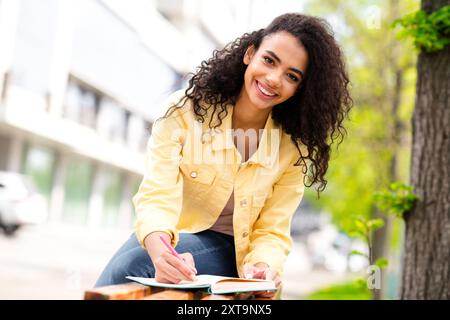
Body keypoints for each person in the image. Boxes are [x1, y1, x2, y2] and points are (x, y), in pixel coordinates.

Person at [95, 12, 352, 299]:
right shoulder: (184, 110)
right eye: (269, 60)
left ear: (299, 88)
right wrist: (161, 248)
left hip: (237, 254)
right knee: (130, 264)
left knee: (133, 264)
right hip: (175, 235)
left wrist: (265, 269)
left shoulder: (292, 148)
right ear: (250, 54)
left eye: (292, 76)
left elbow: (272, 230)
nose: (273, 79)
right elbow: (157, 192)